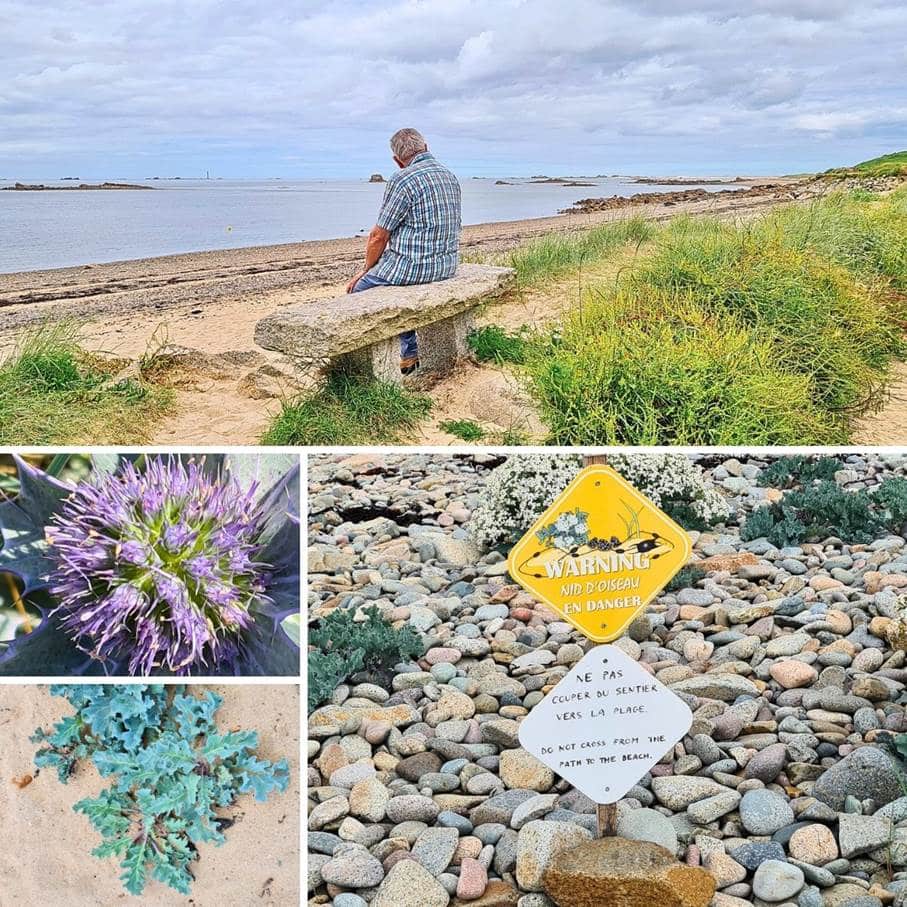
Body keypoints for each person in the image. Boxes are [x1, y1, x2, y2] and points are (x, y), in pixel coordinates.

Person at [347, 128, 462, 375]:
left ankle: (366, 368)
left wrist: (366, 270)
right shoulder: (450, 176)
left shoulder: (403, 179)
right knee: (397, 290)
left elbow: (378, 236)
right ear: (426, 147)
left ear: (397, 160)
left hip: (412, 267)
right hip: (446, 265)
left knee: (357, 291)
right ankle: (408, 354)